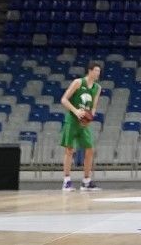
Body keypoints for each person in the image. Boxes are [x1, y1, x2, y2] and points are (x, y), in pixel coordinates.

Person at [57, 60, 102, 191]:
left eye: (99, 71)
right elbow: (64, 99)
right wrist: (76, 111)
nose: (98, 73)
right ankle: (66, 181)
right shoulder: (78, 82)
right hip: (72, 119)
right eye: (96, 71)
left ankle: (86, 181)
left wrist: (90, 117)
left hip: (84, 122)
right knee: (69, 150)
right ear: (90, 70)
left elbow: (93, 107)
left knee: (90, 149)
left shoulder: (97, 88)